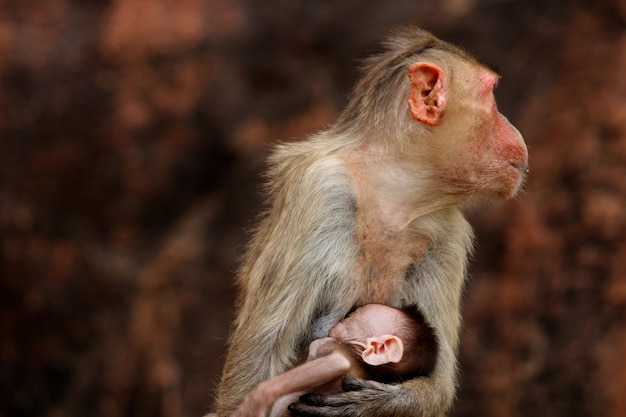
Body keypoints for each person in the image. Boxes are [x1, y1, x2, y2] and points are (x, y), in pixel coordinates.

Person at [231, 304, 438, 417]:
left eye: (352, 316)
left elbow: (337, 363)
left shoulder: (338, 354)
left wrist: (267, 391)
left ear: (378, 348)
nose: (339, 321)